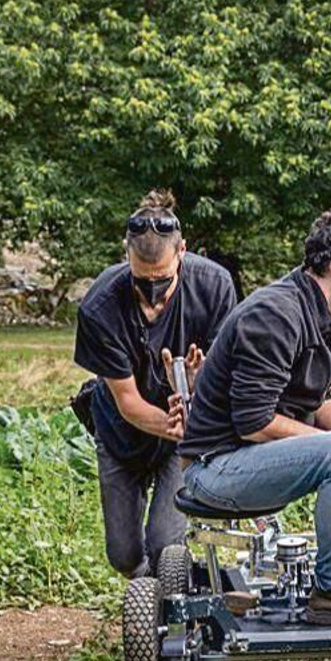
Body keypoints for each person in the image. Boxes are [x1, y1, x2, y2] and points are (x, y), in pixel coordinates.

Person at [178, 206, 331, 625]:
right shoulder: (274, 314)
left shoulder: (326, 315)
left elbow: (318, 399)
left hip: (260, 456)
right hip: (217, 467)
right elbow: (254, 423)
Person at [74, 190, 236, 579]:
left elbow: (230, 373)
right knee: (125, 556)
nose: (153, 295)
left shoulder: (214, 287)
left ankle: (169, 611)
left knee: (166, 544)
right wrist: (171, 421)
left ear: (183, 251)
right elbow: (127, 400)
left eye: (162, 279)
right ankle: (149, 594)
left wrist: (200, 386)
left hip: (184, 436)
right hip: (121, 431)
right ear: (125, 255)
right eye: (141, 280)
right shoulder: (100, 306)